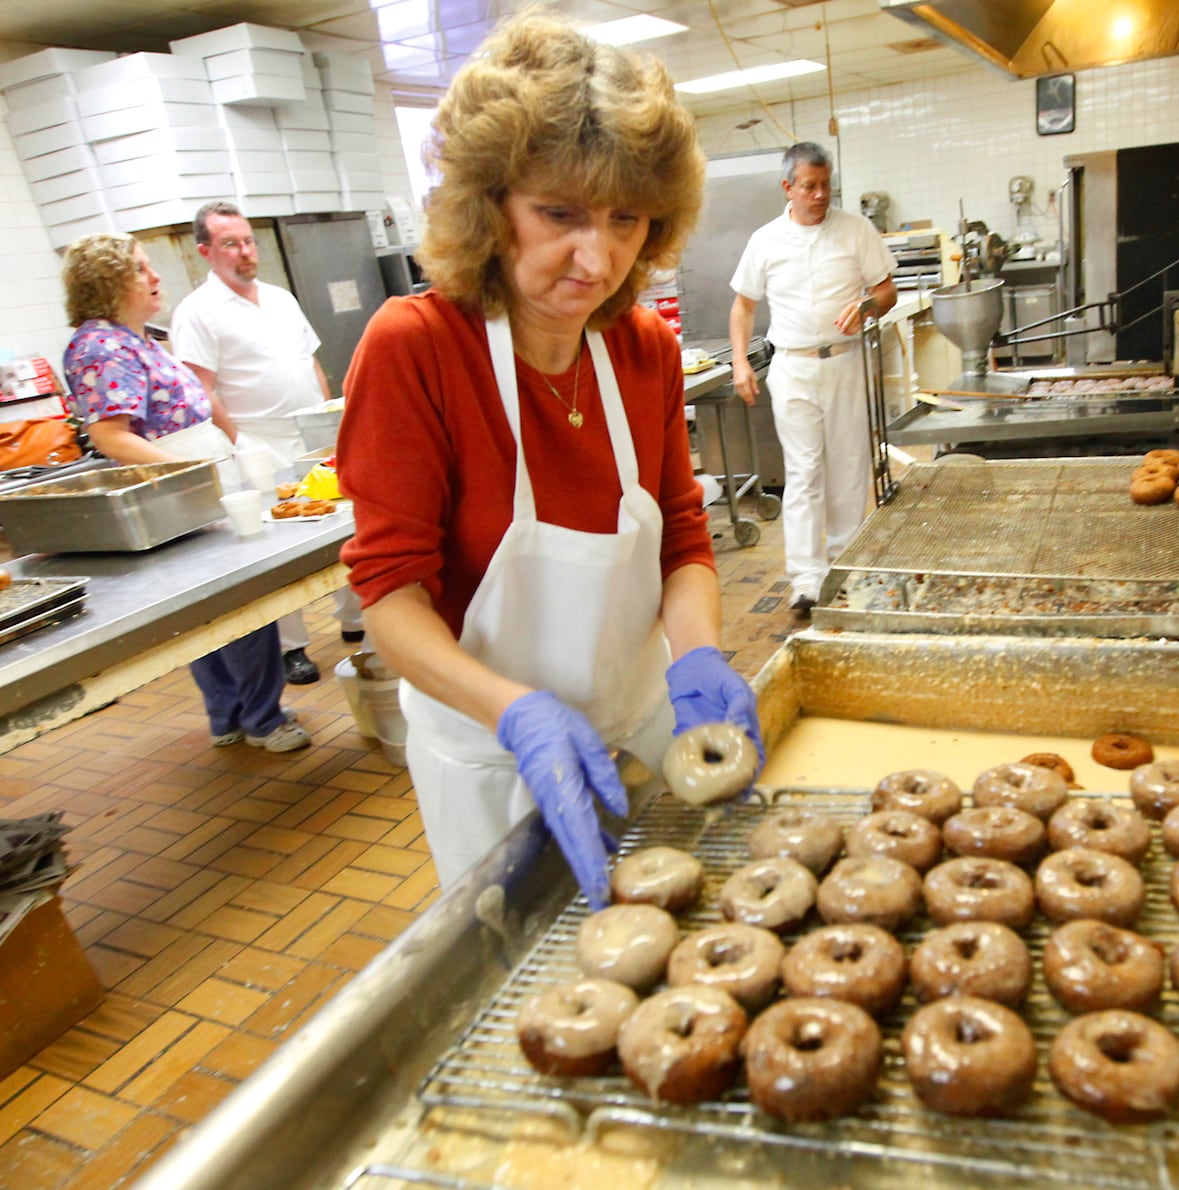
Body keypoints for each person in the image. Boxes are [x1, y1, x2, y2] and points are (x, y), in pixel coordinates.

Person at [337, 11, 761, 900]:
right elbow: (390, 597)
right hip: (495, 751)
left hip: (642, 723)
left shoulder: (640, 347)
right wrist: (514, 712)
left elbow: (682, 536)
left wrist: (696, 654)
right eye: (559, 213)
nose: (597, 255)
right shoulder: (416, 348)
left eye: (627, 219)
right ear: (491, 205)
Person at [59, 233, 310, 753]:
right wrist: (194, 470)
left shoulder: (136, 338)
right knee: (239, 596)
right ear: (109, 283)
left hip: (190, 477)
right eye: (141, 269)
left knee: (210, 603)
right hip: (175, 484)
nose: (155, 278)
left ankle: (231, 716)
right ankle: (264, 718)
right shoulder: (100, 345)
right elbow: (111, 435)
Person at [169, 200, 362, 686]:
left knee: (342, 521)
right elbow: (201, 389)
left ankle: (355, 619)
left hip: (309, 434)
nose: (245, 251)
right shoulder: (198, 312)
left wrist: (327, 417)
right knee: (278, 548)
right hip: (257, 441)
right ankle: (291, 647)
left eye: (249, 240)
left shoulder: (280, 298)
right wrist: (240, 444)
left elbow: (310, 361)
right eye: (230, 243)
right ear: (205, 252)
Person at [728, 142, 898, 616]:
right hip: (793, 366)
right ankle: (806, 579)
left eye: (826, 185)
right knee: (803, 472)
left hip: (845, 361)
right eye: (810, 186)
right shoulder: (765, 241)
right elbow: (743, 305)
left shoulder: (855, 230)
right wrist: (741, 362)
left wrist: (867, 305)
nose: (821, 194)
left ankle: (844, 566)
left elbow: (886, 290)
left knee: (847, 465)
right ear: (788, 187)